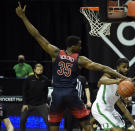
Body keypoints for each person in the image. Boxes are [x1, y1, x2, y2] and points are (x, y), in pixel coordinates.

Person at [16, 2, 128, 131]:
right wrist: (122, 77)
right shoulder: (80, 59)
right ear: (72, 46)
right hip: (71, 94)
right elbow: (102, 68)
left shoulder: (55, 53)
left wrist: (23, 17)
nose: (81, 47)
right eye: (79, 45)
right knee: (86, 126)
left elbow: (37, 35)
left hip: (57, 94)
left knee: (53, 127)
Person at [91, 58, 135, 131]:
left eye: (128, 67)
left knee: (122, 128)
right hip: (100, 108)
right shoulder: (111, 73)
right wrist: (118, 81)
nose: (126, 69)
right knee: (117, 129)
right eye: (124, 67)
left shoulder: (124, 84)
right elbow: (101, 81)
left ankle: (92, 123)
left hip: (111, 109)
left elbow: (123, 107)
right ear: (118, 67)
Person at [20, 63, 49, 131]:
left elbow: (46, 92)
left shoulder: (45, 79)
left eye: (41, 70)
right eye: (38, 70)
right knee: (22, 120)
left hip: (41, 104)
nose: (39, 71)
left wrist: (46, 102)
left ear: (42, 71)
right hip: (29, 104)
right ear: (34, 70)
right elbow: (24, 91)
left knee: (48, 121)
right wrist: (24, 104)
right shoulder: (28, 79)